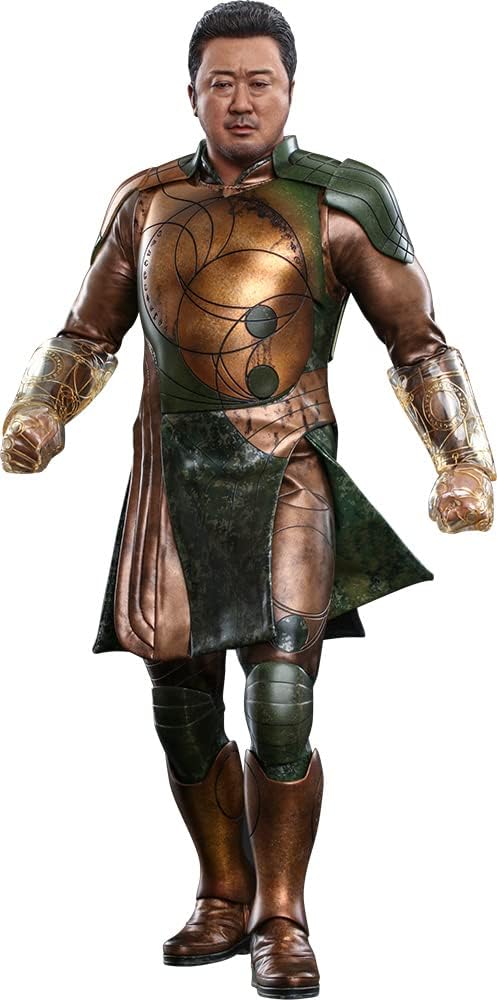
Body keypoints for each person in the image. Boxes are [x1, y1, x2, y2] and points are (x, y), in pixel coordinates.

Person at [1, 2, 494, 997]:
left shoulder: (340, 201)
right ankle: (221, 892)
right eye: (219, 81)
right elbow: (87, 333)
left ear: (289, 90)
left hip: (287, 472)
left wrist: (460, 458)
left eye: (257, 81)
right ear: (190, 93)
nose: (239, 99)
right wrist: (41, 409)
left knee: (279, 699)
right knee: (181, 708)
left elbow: (417, 343)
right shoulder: (145, 203)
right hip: (169, 476)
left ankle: (282, 914)